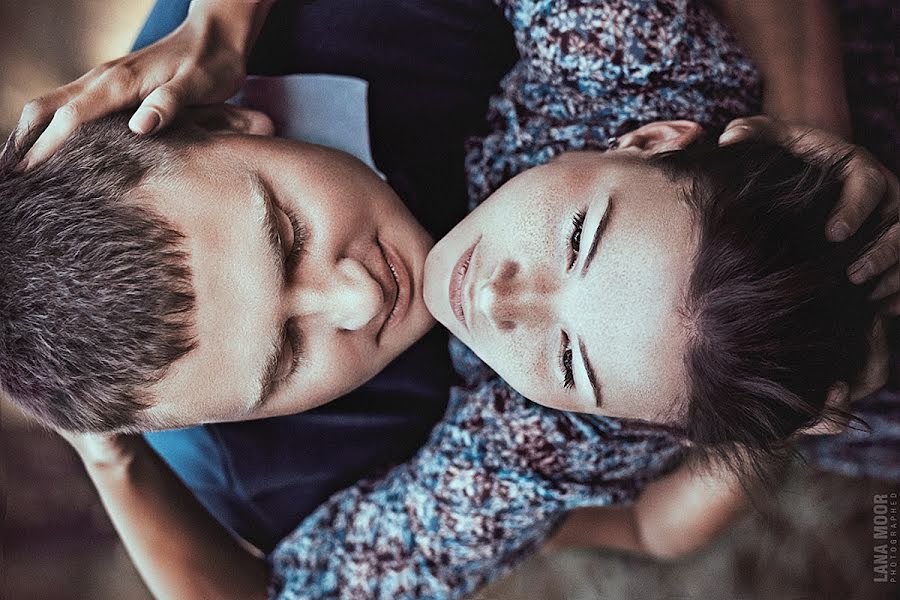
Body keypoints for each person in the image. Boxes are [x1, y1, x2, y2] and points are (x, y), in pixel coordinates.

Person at [2, 0, 897, 598]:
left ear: (234, 114)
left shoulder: (630, 69)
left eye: (289, 236)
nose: (356, 299)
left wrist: (223, 23)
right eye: (288, 360)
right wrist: (108, 449)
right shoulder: (278, 469)